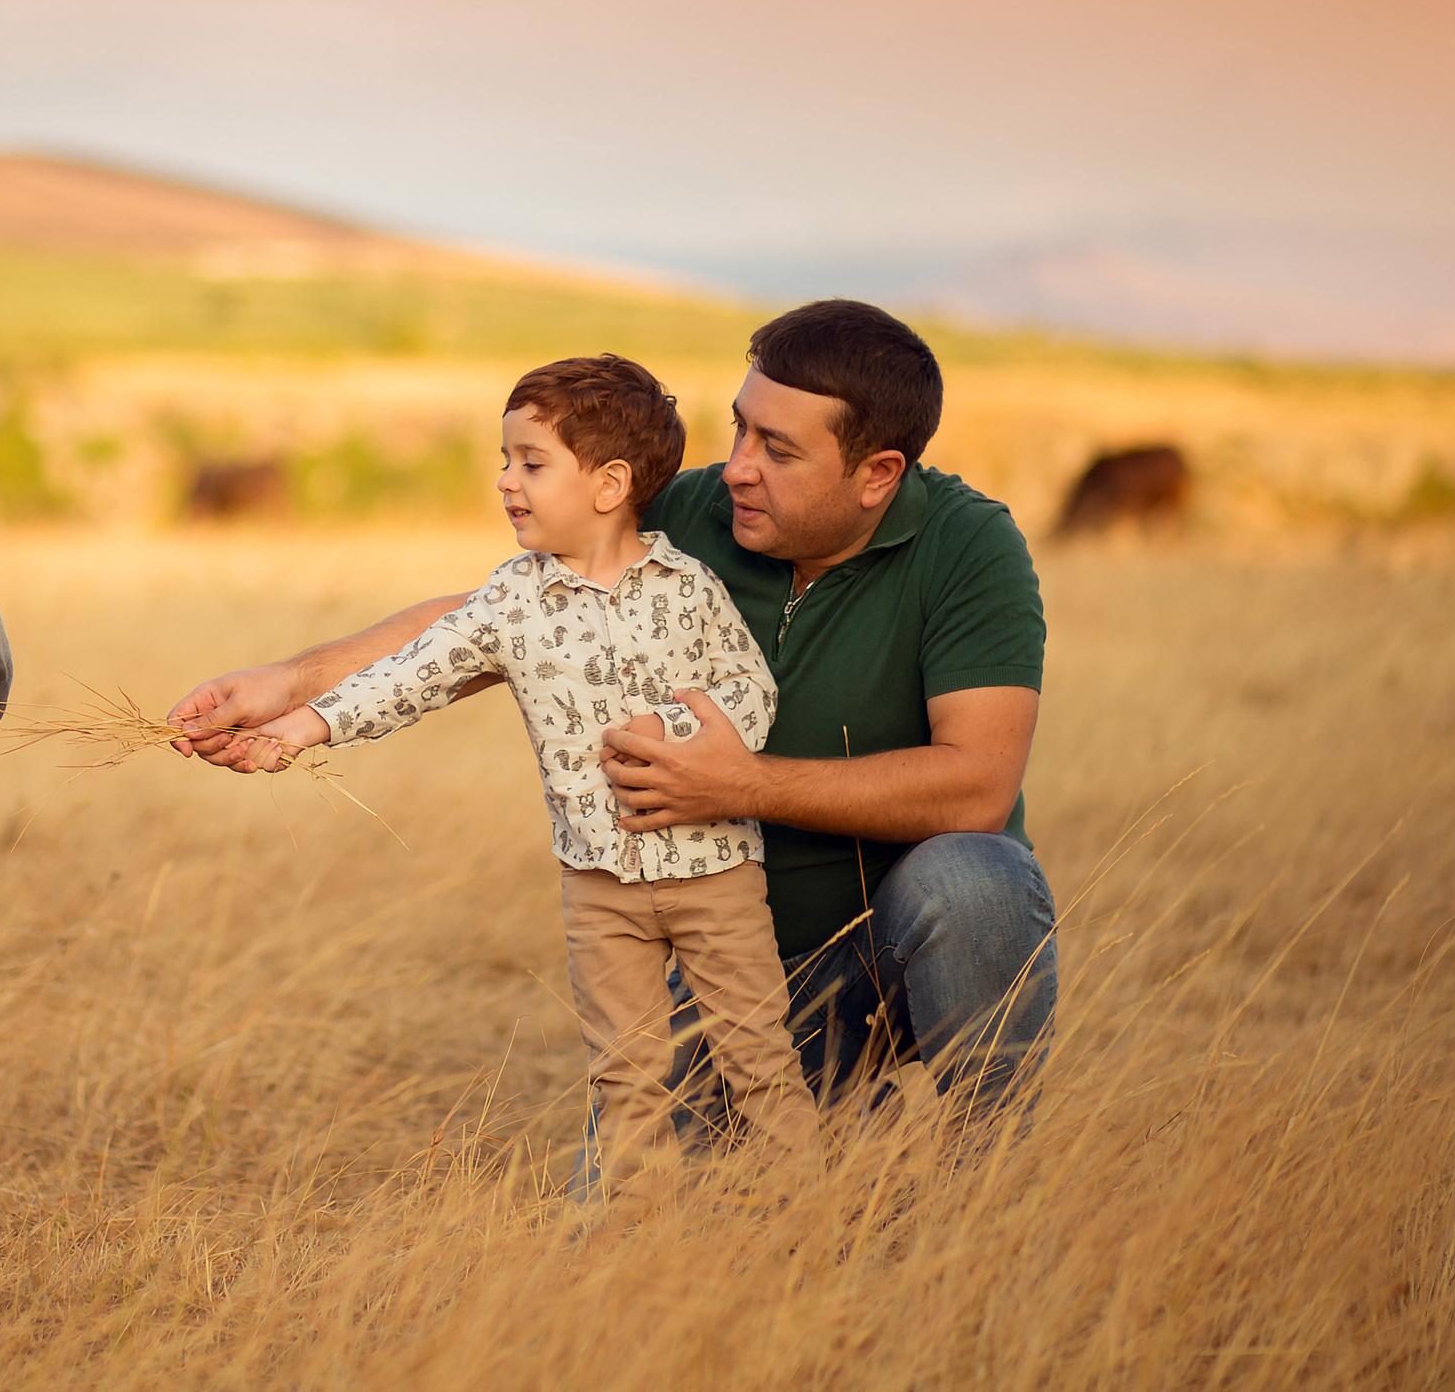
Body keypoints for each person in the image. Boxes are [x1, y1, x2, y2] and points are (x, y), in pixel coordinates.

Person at [171, 300, 1058, 1133]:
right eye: (741, 426)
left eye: (778, 450)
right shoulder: (693, 509)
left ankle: (990, 1184)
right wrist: (294, 683)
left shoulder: (969, 546)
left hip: (897, 939)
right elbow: (497, 619)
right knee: (649, 1213)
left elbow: (976, 785)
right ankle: (848, 1125)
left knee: (973, 880)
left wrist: (741, 784)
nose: (740, 464)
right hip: (731, 961)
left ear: (877, 474)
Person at [246, 354, 821, 1199]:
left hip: (716, 875)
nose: (506, 481)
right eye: (505, 460)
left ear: (610, 483)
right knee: (625, 1076)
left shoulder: (688, 587)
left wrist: (676, 730)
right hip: (601, 888)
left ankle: (807, 1217)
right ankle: (634, 1242)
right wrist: (305, 722)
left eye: (531, 462)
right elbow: (412, 672)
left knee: (759, 1055)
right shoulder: (511, 601)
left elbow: (749, 687)